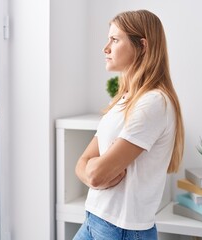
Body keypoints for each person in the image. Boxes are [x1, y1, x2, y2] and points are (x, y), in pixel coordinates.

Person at [73, 9, 184, 240]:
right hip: (94, 218)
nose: (106, 48)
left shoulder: (154, 103)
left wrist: (95, 170)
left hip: (120, 230)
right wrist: (94, 170)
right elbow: (83, 165)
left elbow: (95, 174)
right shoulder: (123, 100)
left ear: (142, 46)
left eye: (114, 39)